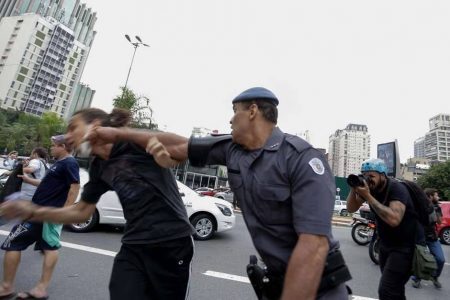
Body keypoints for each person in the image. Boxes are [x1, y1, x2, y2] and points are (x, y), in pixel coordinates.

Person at [70, 87, 351, 299]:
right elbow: (179, 146)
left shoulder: (301, 158)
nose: (230, 119)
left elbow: (313, 246)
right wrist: (118, 134)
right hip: (279, 283)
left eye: (235, 111)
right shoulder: (232, 149)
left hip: (320, 286)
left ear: (252, 111)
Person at [0, 108, 195, 300]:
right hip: (133, 245)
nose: (67, 137)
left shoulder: (133, 143)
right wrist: (32, 211)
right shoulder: (99, 166)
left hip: (172, 241)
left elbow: (184, 146)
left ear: (94, 126)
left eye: (72, 128)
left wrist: (119, 133)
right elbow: (82, 212)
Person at [0, 136, 80, 300]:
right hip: (42, 212)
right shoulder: (59, 163)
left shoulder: (69, 163)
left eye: (53, 146)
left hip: (42, 213)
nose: (51, 148)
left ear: (63, 146)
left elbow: (74, 187)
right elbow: (47, 184)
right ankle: (40, 288)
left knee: (12, 243)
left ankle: (7, 287)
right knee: (49, 247)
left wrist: (65, 211)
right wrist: (28, 179)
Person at [346, 158, 417, 300]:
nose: (367, 180)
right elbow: (351, 208)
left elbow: (394, 219)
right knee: (394, 290)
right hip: (385, 245)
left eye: (371, 176)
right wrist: (353, 189)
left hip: (404, 247)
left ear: (383, 175)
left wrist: (367, 196)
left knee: (387, 290)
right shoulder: (371, 189)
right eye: (364, 176)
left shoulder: (397, 188)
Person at [411, 188, 445, 289]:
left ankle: (435, 277)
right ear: (430, 196)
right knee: (420, 258)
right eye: (436, 195)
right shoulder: (419, 206)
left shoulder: (437, 207)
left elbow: (439, 222)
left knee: (440, 259)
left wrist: (436, 209)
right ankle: (417, 278)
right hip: (420, 236)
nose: (437, 197)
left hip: (432, 236)